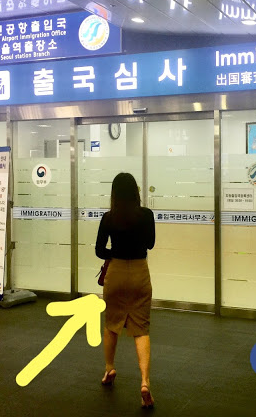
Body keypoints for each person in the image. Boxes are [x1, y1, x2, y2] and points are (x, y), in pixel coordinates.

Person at [95, 172, 156, 409]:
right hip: (140, 272)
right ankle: (145, 382)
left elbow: (100, 250)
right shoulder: (146, 215)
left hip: (117, 272)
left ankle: (109, 369)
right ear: (135, 191)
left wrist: (115, 253)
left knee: (112, 324)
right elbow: (150, 244)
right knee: (141, 329)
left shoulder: (109, 217)